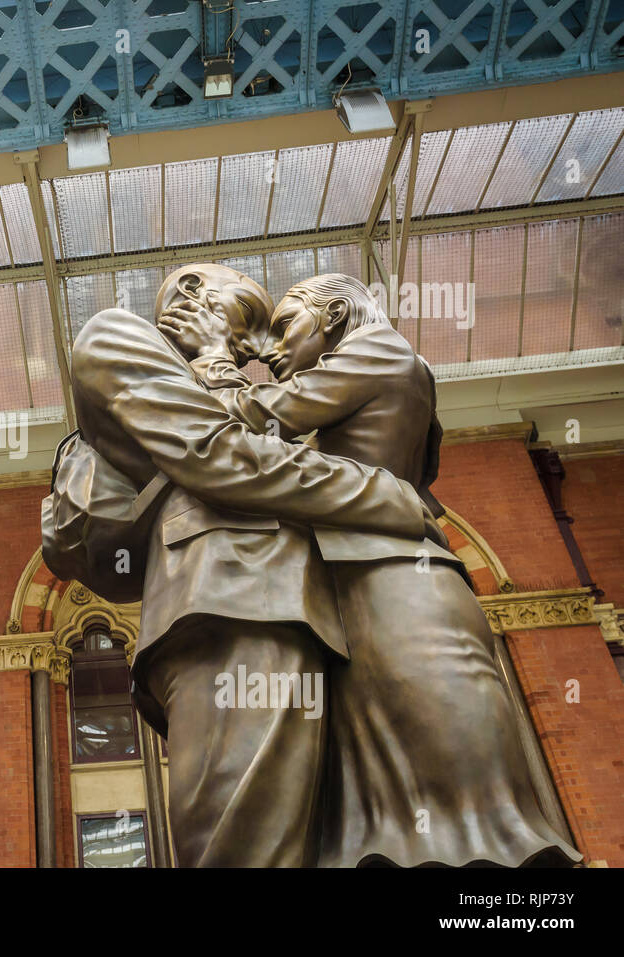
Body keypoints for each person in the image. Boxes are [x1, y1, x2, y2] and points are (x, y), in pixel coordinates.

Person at [170, 272, 581, 867]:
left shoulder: (378, 350)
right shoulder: (379, 381)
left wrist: (213, 358)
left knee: (453, 800)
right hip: (365, 584)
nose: (271, 350)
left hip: (394, 583)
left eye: (287, 327)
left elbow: (251, 423)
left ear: (334, 314)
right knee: (392, 802)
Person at [46, 263, 445, 866]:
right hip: (231, 607)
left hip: (295, 615)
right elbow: (221, 456)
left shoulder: (225, 383)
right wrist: (386, 495)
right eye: (255, 320)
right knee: (245, 842)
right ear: (189, 294)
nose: (261, 349)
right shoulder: (117, 338)